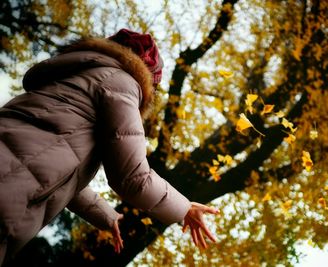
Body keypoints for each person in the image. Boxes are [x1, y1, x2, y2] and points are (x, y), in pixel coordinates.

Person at [0, 29, 219, 265]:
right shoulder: (122, 83)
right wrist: (184, 208)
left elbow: (49, 167)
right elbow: (132, 176)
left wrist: (106, 215)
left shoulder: (74, 78)